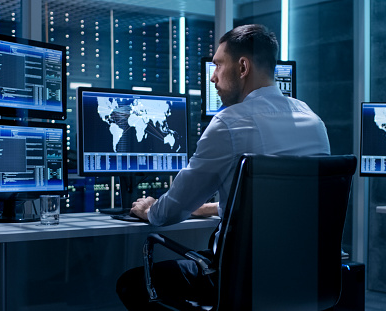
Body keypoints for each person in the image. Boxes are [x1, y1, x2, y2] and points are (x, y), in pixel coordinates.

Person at [116, 24, 331, 310]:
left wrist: (149, 210)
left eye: (218, 65)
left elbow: (170, 212)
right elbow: (284, 205)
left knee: (132, 283)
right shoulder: (313, 121)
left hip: (241, 279)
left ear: (242, 67)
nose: (213, 77)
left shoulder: (229, 123)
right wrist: (211, 208)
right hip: (307, 276)